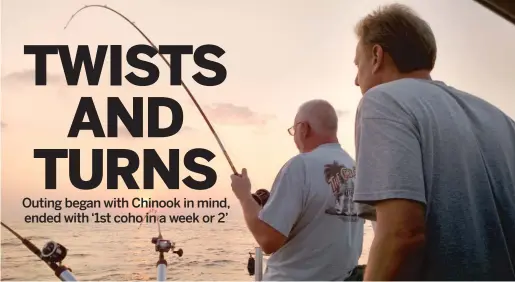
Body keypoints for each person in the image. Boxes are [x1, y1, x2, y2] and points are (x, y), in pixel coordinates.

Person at [351, 3, 515, 281]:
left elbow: (402, 236)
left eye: (358, 64)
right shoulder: (501, 119)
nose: (356, 80)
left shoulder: (384, 101)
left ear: (377, 56)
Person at [230, 99, 365, 281]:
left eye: (293, 131)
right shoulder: (357, 170)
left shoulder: (300, 166)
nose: (294, 137)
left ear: (304, 128)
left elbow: (268, 241)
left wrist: (244, 196)